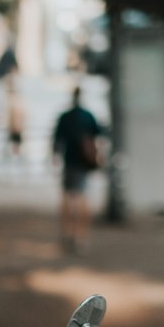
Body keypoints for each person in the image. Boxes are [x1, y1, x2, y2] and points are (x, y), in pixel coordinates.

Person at [52, 86, 102, 249]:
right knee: (82, 197)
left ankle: (68, 232)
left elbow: (58, 141)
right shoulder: (88, 116)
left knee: (67, 196)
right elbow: (98, 137)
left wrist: (55, 158)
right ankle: (82, 235)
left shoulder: (65, 116)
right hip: (84, 163)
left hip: (70, 160)